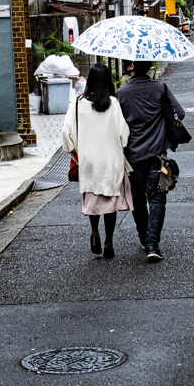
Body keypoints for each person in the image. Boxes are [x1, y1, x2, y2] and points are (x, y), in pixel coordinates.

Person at [116, 62, 185, 262]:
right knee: (157, 198)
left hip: (132, 155)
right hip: (157, 154)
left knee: (137, 197)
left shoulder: (122, 93)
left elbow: (116, 123)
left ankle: (145, 239)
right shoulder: (160, 88)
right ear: (149, 67)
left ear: (132, 68)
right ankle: (153, 244)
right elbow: (180, 113)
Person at [62, 63, 131, 260]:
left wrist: (74, 149)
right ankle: (109, 240)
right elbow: (123, 135)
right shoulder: (113, 103)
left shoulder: (77, 103)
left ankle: (94, 232)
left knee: (93, 200)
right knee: (109, 201)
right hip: (111, 161)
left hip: (89, 161)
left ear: (90, 81)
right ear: (108, 81)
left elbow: (66, 133)